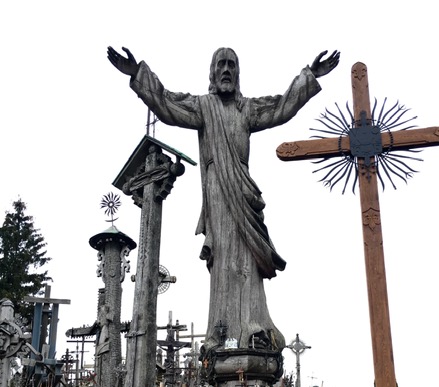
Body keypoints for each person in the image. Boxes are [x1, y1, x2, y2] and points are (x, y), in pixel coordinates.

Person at [107, 45, 340, 359]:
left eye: (232, 65)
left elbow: (282, 108)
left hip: (243, 192)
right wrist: (138, 73)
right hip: (218, 191)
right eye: (221, 65)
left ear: (238, 73)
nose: (227, 70)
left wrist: (310, 76)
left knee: (248, 262)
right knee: (225, 262)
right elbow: (166, 104)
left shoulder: (248, 109)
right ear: (212, 73)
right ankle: (223, 329)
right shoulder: (203, 107)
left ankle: (254, 325)